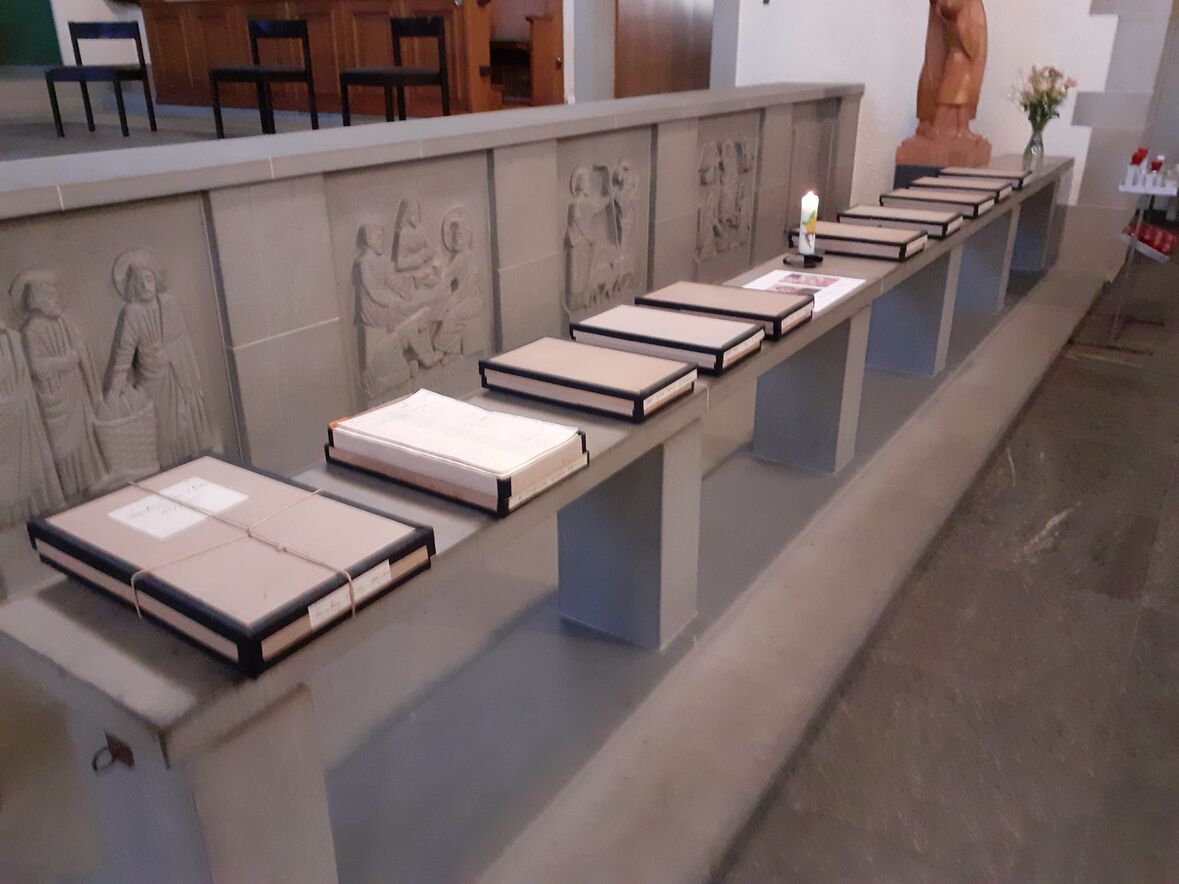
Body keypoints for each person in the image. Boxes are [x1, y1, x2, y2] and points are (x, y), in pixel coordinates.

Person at [107, 250, 211, 468]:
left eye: (148, 279)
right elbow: (124, 351)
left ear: (155, 279)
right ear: (132, 286)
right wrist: (116, 386)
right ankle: (168, 467)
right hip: (152, 379)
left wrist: (169, 353)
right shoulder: (132, 312)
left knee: (184, 421)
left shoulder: (169, 304)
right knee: (162, 426)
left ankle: (193, 461)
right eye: (139, 281)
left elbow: (182, 339)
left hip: (177, 374)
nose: (145, 285)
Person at [17, 269, 107, 497]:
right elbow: (35, 366)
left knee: (84, 437)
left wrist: (79, 352)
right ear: (38, 299)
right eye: (51, 296)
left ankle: (92, 479)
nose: (57, 300)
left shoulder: (64, 322)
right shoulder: (31, 330)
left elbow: (80, 346)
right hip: (53, 396)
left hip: (75, 389)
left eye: (57, 295)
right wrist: (66, 361)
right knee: (63, 446)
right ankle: (70, 488)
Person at [0, 308, 63, 527]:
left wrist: (19, 397)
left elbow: (25, 376)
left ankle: (41, 507)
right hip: (5, 418)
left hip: (25, 413)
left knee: (33, 462)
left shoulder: (14, 338)